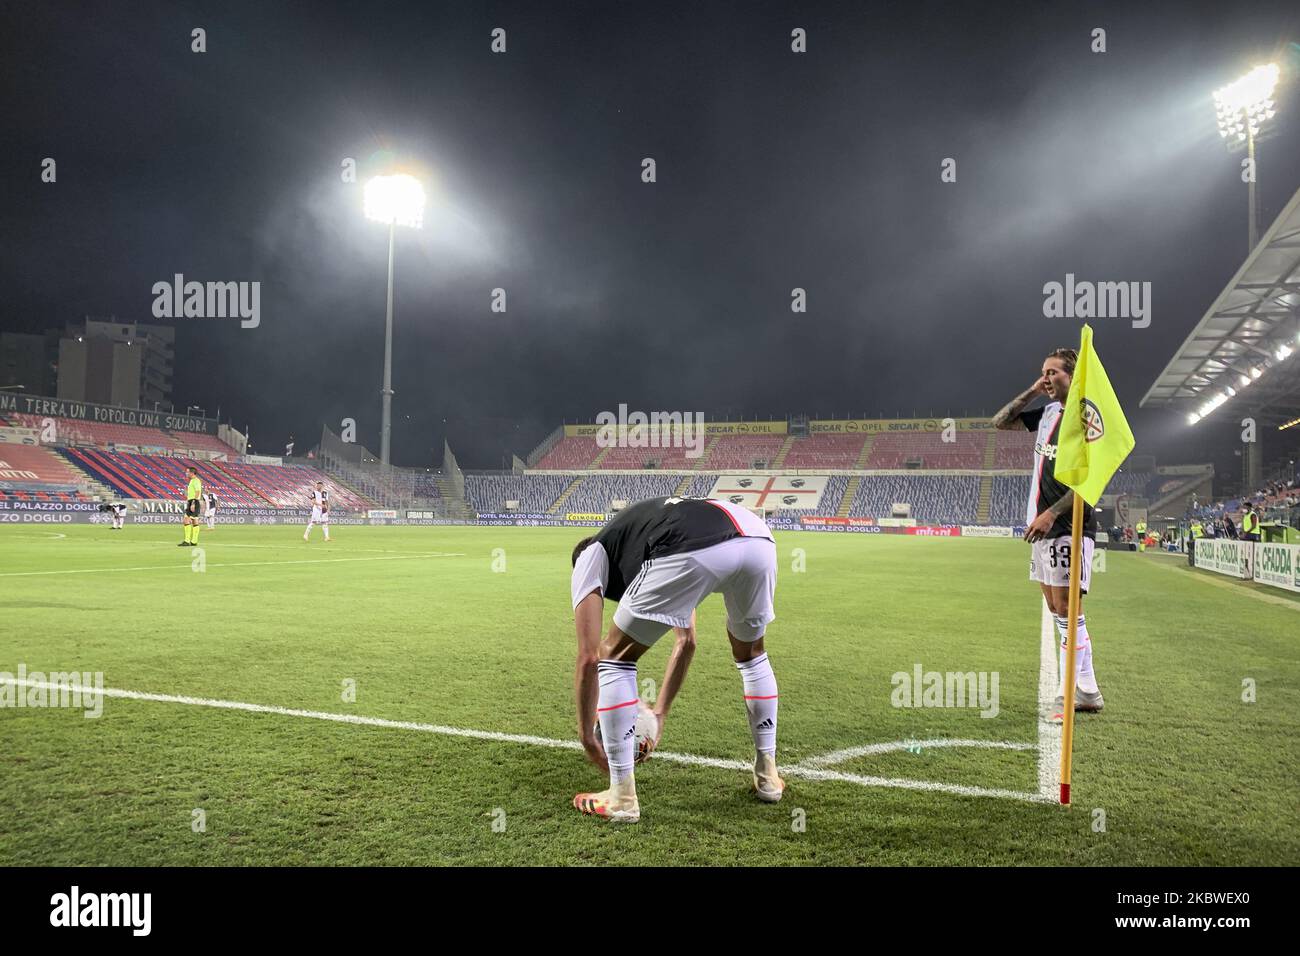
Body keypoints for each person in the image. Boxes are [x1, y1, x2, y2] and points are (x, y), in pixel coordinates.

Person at [569, 495, 780, 823]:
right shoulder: (642, 539)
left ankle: (621, 797)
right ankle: (768, 776)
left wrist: (586, 738)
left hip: (691, 545)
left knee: (614, 657)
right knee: (752, 655)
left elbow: (588, 658)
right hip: (758, 539)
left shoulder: (589, 555)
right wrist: (660, 714)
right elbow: (687, 641)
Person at [993, 347, 1104, 721]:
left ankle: (1066, 693)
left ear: (1073, 377)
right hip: (1041, 528)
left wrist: (1051, 514)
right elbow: (1000, 422)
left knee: (1069, 612)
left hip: (1068, 525)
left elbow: (1092, 480)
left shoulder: (1084, 417)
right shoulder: (1048, 412)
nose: (1047, 377)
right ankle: (1088, 689)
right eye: (1043, 372)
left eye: (1053, 373)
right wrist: (1032, 390)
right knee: (1058, 609)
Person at [178, 466, 202, 547]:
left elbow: (198, 492)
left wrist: (193, 503)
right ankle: (194, 541)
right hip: (193, 501)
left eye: (187, 472)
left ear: (192, 473)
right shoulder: (193, 481)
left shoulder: (195, 481)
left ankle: (187, 541)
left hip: (193, 501)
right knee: (195, 521)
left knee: (186, 520)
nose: (186, 473)